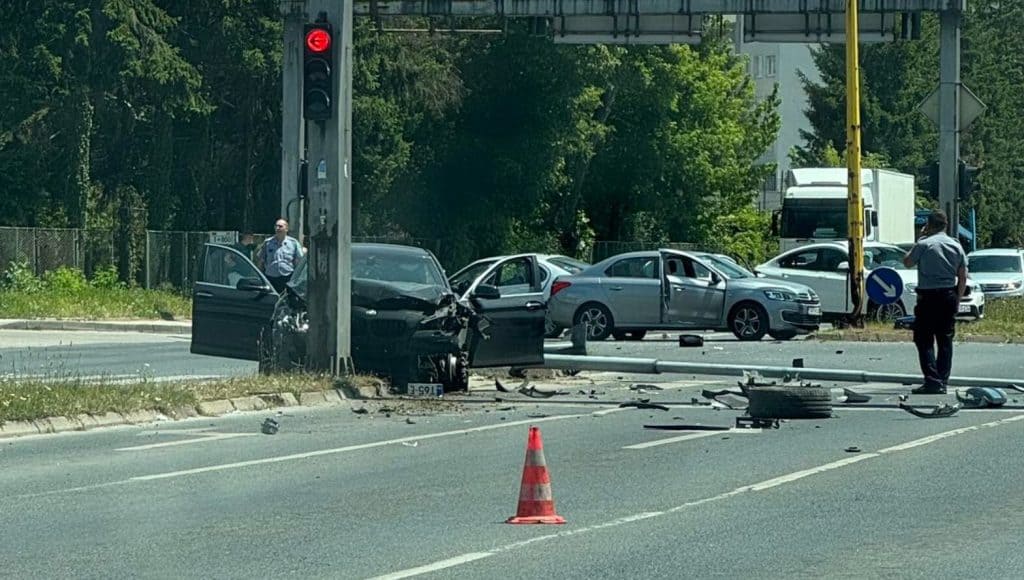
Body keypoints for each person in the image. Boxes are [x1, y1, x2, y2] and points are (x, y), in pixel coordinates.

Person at [903, 210, 968, 394]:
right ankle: (943, 381)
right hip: (948, 295)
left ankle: (932, 380)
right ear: (945, 225)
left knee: (923, 339)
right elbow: (962, 277)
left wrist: (920, 237)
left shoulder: (924, 244)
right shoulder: (956, 245)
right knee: (945, 340)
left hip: (928, 297)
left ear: (929, 225)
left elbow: (907, 262)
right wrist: (958, 299)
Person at [257, 218, 302, 292]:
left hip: (287, 278)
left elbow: (299, 261)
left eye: (280, 226)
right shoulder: (267, 243)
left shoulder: (293, 243)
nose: (277, 228)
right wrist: (260, 277)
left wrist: (297, 279)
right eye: (276, 226)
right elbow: (261, 261)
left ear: (286, 229)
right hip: (270, 278)